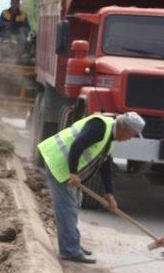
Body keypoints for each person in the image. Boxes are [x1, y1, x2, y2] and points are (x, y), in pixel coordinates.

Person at [37, 111, 146, 264]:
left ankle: (73, 243)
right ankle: (69, 250)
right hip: (59, 164)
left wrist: (109, 193)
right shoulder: (100, 127)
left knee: (75, 203)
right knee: (67, 208)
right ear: (125, 128)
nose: (130, 139)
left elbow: (105, 165)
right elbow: (76, 146)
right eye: (132, 135)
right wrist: (73, 172)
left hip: (65, 166)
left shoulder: (109, 137)